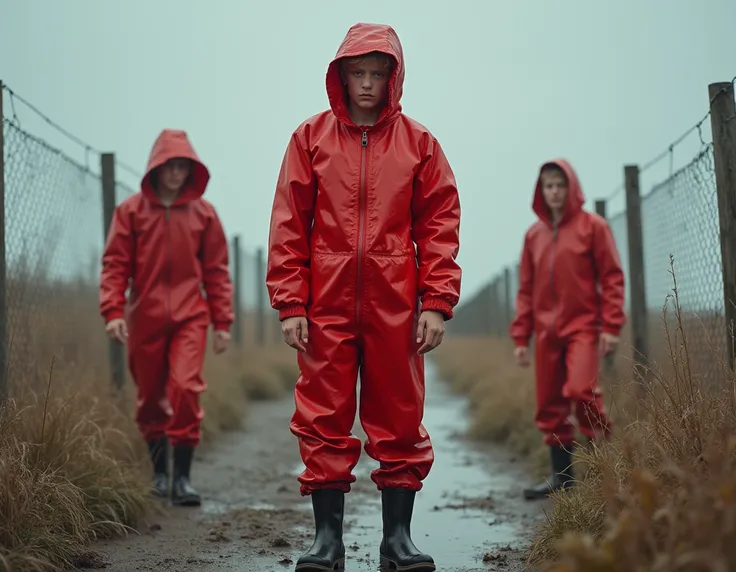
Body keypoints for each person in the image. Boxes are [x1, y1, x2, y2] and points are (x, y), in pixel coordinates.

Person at [266, 22, 461, 572]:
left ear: (394, 77)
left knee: (399, 414)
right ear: (341, 75)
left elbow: (440, 224)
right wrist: (290, 303)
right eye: (359, 73)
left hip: (396, 300)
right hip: (323, 300)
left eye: (379, 73)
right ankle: (327, 544)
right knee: (323, 414)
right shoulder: (310, 138)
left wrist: (435, 302)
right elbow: (288, 223)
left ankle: (396, 541)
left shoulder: (420, 144)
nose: (369, 84)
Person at [99, 129, 234, 507]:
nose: (175, 173)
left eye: (182, 166)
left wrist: (222, 323)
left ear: (192, 169)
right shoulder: (130, 212)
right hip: (145, 317)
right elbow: (115, 265)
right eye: (169, 165)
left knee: (186, 386)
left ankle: (183, 480)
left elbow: (217, 272)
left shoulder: (205, 214)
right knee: (150, 397)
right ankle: (159, 474)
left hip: (191, 315)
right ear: (155, 167)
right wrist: (113, 311)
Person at [509, 159, 625, 501]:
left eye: (560, 185)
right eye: (549, 186)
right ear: (540, 190)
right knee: (549, 404)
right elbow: (526, 289)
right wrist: (521, 336)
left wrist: (612, 325)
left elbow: (612, 278)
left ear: (571, 187)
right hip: (546, 333)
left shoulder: (593, 227)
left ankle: (607, 465)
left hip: (584, 327)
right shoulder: (534, 235)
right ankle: (562, 478)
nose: (555, 191)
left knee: (581, 390)